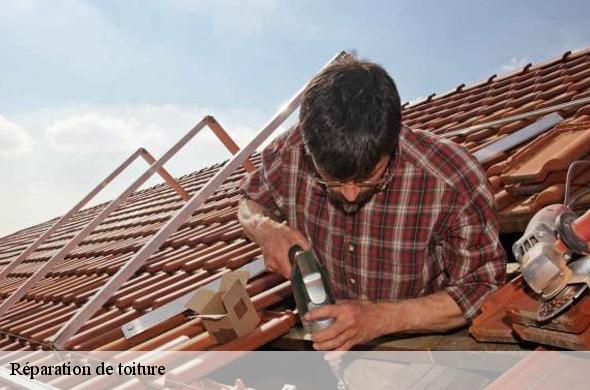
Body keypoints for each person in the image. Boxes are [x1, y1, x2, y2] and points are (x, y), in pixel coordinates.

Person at [237, 56, 506, 351]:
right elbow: (249, 202)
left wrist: (381, 319)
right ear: (307, 148)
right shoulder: (288, 152)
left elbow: (481, 288)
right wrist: (264, 229)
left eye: (369, 179)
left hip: (420, 341)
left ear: (392, 144)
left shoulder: (452, 178)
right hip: (331, 341)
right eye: (333, 181)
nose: (350, 195)